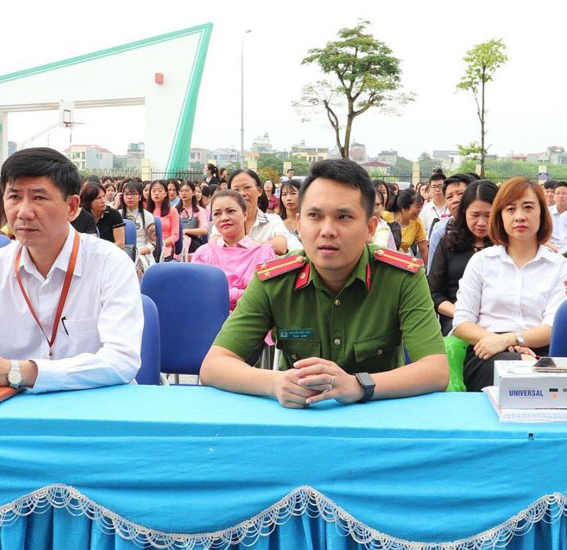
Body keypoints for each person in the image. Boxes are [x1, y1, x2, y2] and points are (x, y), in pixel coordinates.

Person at [199, 159, 448, 408]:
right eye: (315, 216)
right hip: (300, 417)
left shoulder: (402, 278)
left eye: (344, 217)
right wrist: (274, 383)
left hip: (377, 417)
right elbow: (214, 365)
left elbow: (435, 370)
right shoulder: (273, 281)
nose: (327, 230)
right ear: (299, 224)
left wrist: (359, 385)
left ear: (370, 228)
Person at [0, 147, 142, 393]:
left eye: (39, 198)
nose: (23, 212)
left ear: (72, 207)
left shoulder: (110, 264)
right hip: (13, 407)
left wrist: (15, 372)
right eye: (14, 197)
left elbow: (121, 360)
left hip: (94, 403)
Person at [452, 177, 567, 392]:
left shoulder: (559, 266)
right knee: (524, 371)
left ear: (542, 213)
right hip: (487, 352)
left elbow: (553, 326)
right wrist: (501, 343)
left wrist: (513, 340)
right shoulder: (481, 262)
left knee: (544, 374)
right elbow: (462, 322)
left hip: (541, 353)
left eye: (528, 207)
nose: (519, 216)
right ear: (500, 215)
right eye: (510, 209)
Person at [428, 180, 495, 336]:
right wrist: (462, 314)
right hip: (455, 320)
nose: (481, 223)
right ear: (464, 212)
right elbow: (434, 293)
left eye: (488, 215)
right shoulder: (448, 244)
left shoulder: (506, 246)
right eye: (475, 215)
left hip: (498, 323)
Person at [192, 190, 277, 311]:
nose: (224, 218)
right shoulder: (204, 253)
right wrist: (242, 294)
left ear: (245, 214)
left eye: (231, 211)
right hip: (212, 319)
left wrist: (221, 294)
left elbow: (266, 296)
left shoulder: (264, 253)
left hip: (253, 318)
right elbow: (199, 294)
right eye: (217, 213)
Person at [211, 169, 301, 255]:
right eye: (236, 190)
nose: (242, 194)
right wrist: (264, 244)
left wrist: (239, 244)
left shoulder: (273, 220)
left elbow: (281, 247)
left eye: (247, 187)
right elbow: (213, 245)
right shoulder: (224, 221)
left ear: (259, 191)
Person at [426, 173, 472, 273]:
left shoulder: (486, 228)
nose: (455, 200)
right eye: (449, 197)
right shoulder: (440, 233)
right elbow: (433, 274)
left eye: (460, 194)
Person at [120, 181, 160, 272]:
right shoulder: (117, 215)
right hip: (122, 252)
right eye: (126, 194)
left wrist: (138, 252)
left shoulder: (148, 216)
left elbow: (152, 243)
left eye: (133, 194)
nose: (130, 197)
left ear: (140, 197)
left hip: (142, 251)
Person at [389, 188, 428, 259]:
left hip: (403, 261)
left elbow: (423, 250)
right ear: (404, 207)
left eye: (421, 207)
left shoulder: (417, 223)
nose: (420, 210)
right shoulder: (385, 216)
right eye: (417, 207)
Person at [177, 179, 208, 256]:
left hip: (194, 244)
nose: (184, 193)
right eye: (181, 191)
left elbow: (204, 230)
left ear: (193, 192)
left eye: (187, 190)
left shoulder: (200, 210)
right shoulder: (174, 210)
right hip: (177, 242)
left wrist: (186, 231)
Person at [549, 181, 567, 260]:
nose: (561, 196)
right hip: (552, 249)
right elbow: (543, 240)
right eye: (558, 193)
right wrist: (558, 251)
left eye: (564, 193)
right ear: (554, 196)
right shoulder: (547, 213)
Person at [419, 170, 448, 238]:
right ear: (429, 188)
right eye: (434, 187)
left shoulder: (452, 206)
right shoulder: (425, 209)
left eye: (440, 186)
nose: (437, 189)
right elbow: (420, 232)